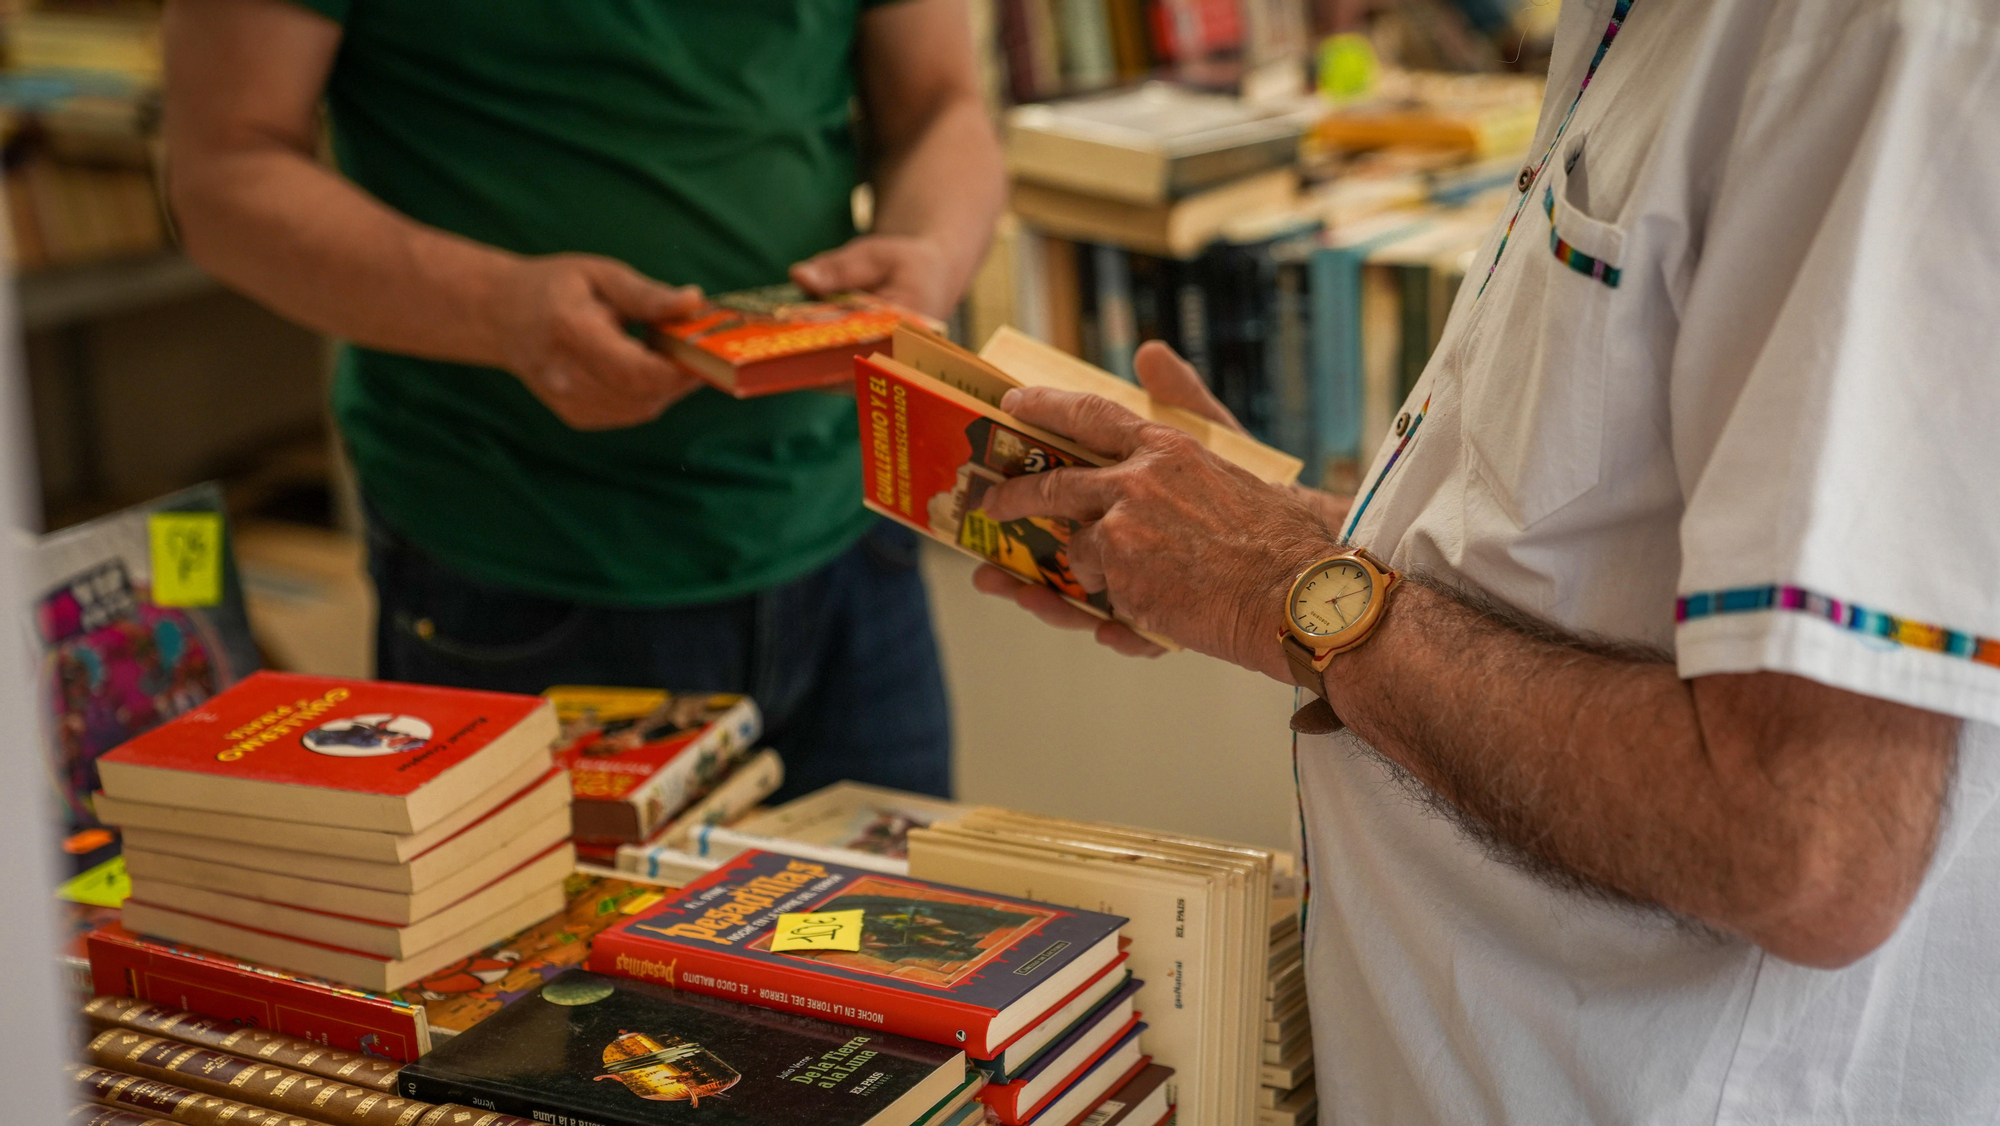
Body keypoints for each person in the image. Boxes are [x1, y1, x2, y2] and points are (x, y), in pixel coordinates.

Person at [972, 0, 2000, 1120]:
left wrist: (1283, 587)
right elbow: (1585, 552)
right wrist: (1263, 536)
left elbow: (1803, 844)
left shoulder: (1869, 40)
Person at [162, 0, 1006, 801]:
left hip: (851, 544)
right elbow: (222, 172)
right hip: (515, 565)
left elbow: (941, 108)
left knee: (895, 952)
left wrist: (928, 255)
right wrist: (497, 310)